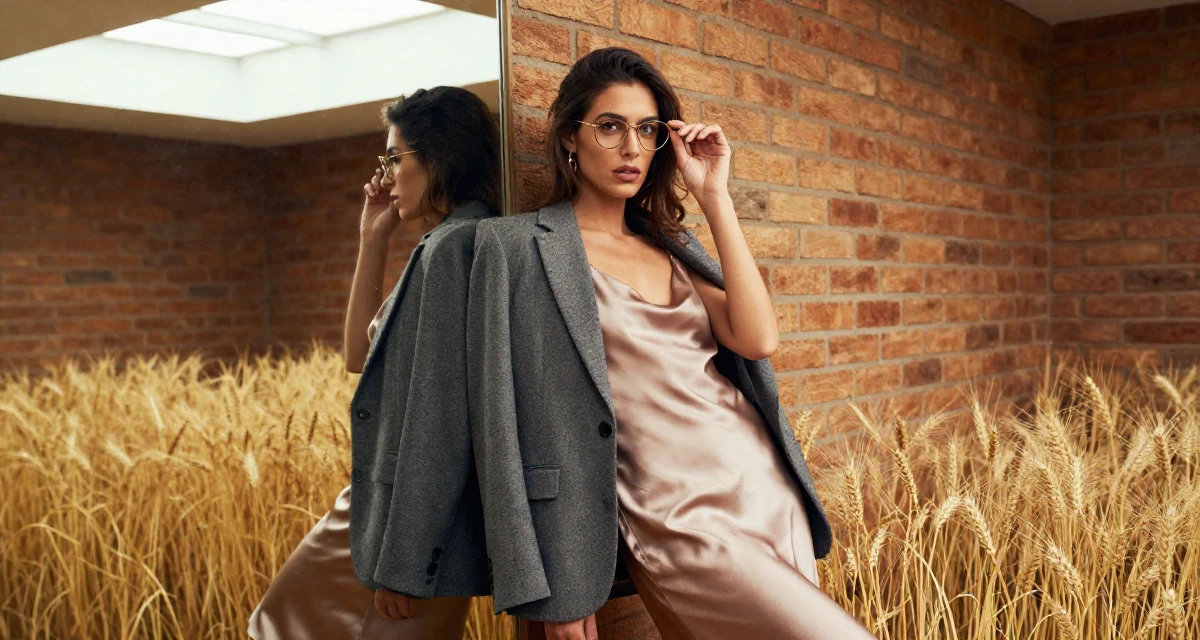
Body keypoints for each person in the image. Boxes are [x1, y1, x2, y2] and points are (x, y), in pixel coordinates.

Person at [466, 48, 877, 640]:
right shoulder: (517, 249)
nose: (632, 148)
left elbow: (759, 339)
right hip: (672, 518)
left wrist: (715, 196)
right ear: (568, 139)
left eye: (647, 129)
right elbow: (497, 425)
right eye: (610, 126)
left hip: (759, 486)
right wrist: (546, 580)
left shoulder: (670, 247)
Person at [248, 85, 501, 640]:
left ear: (438, 160)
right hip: (381, 514)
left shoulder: (452, 249)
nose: (385, 175)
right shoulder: (446, 243)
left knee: (278, 627)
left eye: (394, 158)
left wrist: (403, 561)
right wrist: (372, 239)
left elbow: (436, 423)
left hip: (401, 526)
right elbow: (359, 357)